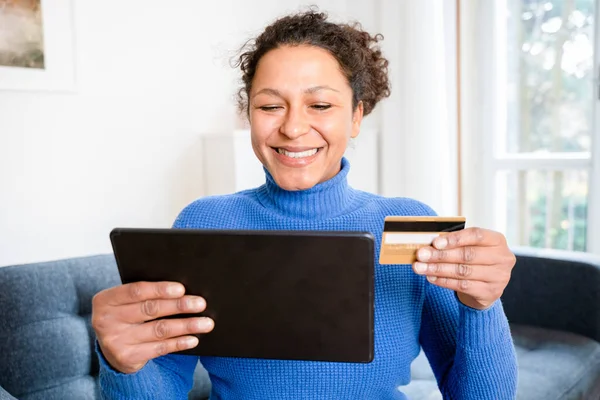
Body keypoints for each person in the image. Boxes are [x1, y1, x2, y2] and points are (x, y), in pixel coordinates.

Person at [92, 9, 518, 399]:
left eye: (320, 104)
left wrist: (482, 305)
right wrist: (122, 363)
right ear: (250, 114)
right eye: (271, 105)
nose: (293, 127)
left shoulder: (409, 225)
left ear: (355, 116)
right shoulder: (203, 221)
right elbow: (160, 385)